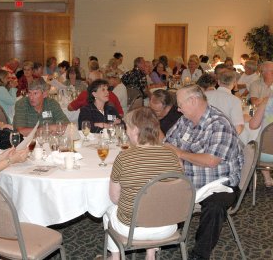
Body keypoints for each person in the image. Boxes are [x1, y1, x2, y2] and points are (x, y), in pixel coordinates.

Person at [164, 85, 243, 260]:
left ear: (193, 101)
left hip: (218, 184)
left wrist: (181, 154)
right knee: (154, 186)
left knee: (215, 206)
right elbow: (167, 144)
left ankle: (200, 255)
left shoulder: (219, 124)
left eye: (180, 104)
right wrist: (177, 158)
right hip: (187, 179)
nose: (178, 108)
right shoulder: (185, 120)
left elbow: (211, 161)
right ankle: (159, 236)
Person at [103, 107, 182, 260]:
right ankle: (150, 254)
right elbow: (177, 190)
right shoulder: (172, 155)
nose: (126, 132)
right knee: (156, 203)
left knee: (108, 209)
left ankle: (115, 257)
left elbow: (114, 198)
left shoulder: (123, 158)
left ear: (135, 130)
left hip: (133, 229)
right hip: (168, 225)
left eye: (127, 127)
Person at [205, 70, 244, 134]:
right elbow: (238, 129)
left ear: (218, 82)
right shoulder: (235, 101)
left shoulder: (205, 95)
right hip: (222, 136)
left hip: (203, 134)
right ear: (234, 83)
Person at [249, 96, 273, 187]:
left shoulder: (267, 101)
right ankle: (267, 178)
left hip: (263, 154)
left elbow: (253, 125)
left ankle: (267, 178)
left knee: (259, 143)